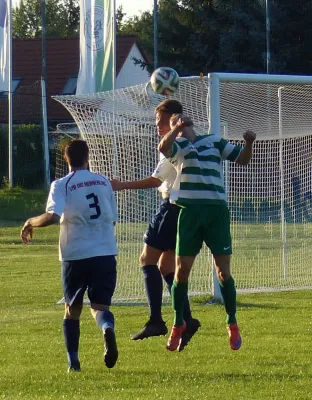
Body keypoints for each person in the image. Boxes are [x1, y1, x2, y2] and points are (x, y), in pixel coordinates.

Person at [158, 113, 256, 352]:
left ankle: (232, 322)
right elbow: (163, 146)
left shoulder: (214, 140)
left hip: (216, 213)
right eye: (174, 119)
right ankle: (177, 323)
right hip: (189, 212)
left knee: (223, 272)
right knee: (182, 272)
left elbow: (241, 160)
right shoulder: (178, 146)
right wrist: (174, 129)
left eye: (181, 116)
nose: (179, 118)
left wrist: (249, 143)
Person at [21, 139, 119, 371]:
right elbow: (112, 218)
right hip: (105, 252)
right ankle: (107, 328)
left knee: (72, 310)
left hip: (76, 254)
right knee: (100, 307)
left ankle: (73, 363)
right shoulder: (104, 182)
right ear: (88, 157)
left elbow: (52, 216)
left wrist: (30, 221)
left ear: (66, 159)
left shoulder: (62, 184)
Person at [111, 99, 200, 351]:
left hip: (171, 210)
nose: (157, 126)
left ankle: (156, 321)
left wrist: (121, 185)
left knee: (146, 261)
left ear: (174, 118)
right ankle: (186, 319)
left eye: (160, 121)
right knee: (165, 267)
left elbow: (154, 180)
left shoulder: (175, 145)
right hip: (184, 212)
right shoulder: (191, 141)